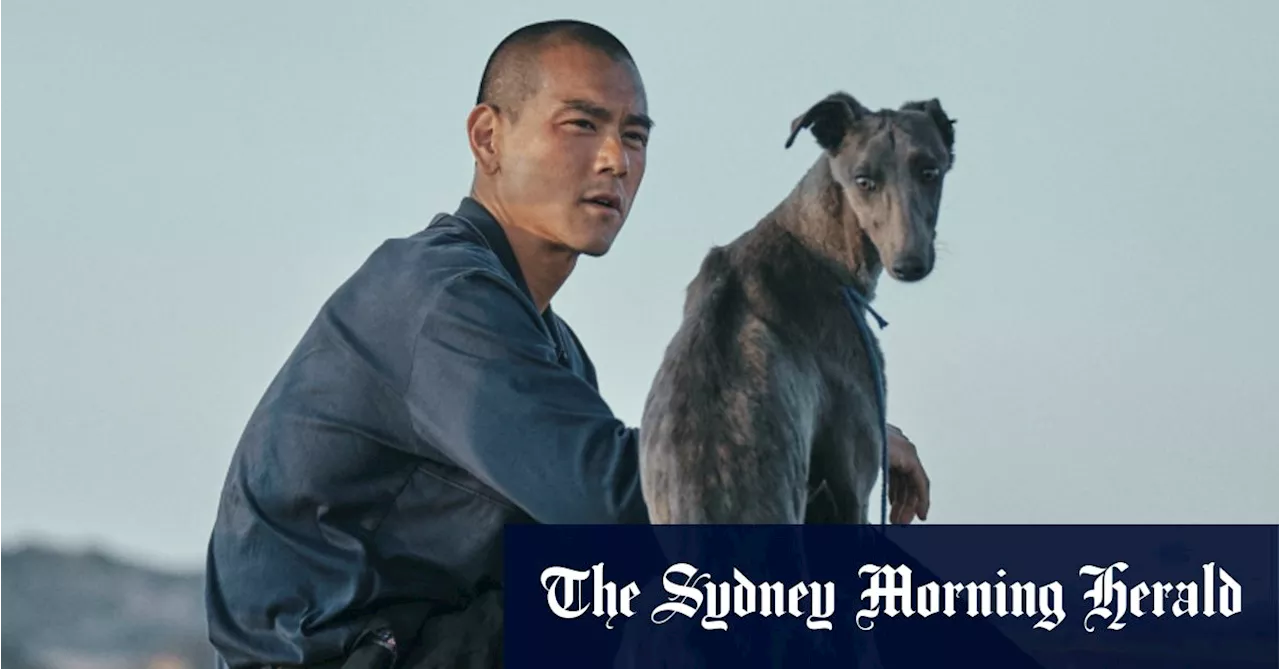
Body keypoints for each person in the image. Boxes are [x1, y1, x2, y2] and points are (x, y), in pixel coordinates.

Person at [204, 18, 932, 669]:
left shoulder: (547, 341)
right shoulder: (439, 300)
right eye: (582, 125)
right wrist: (832, 432)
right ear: (488, 137)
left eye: (635, 135)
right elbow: (623, 499)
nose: (615, 159)